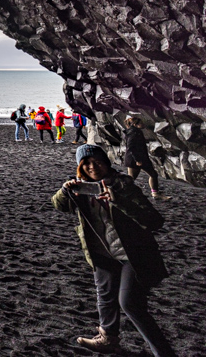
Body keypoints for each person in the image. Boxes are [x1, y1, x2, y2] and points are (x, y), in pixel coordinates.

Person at [52, 145, 176, 357]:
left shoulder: (122, 185)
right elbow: (59, 205)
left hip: (132, 254)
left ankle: (164, 353)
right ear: (80, 166)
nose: (93, 167)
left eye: (97, 161)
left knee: (130, 304)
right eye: (87, 163)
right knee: (106, 297)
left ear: (106, 162)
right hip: (102, 253)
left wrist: (119, 201)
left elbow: (154, 220)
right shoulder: (80, 188)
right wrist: (64, 191)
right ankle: (108, 339)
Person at [124, 116, 170, 201]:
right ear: (135, 124)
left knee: (151, 174)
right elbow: (131, 147)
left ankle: (155, 193)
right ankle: (124, 195)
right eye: (141, 123)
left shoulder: (134, 131)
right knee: (131, 179)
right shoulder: (133, 133)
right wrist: (137, 160)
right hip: (136, 160)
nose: (143, 124)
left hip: (139, 159)